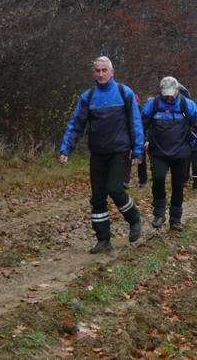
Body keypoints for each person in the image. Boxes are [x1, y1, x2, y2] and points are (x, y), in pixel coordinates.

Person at [60, 56, 144, 254]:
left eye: (104, 70)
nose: (101, 74)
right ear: (93, 73)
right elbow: (76, 124)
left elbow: (135, 123)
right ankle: (103, 239)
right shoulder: (88, 97)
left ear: (112, 72)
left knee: (115, 189)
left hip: (120, 152)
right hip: (98, 153)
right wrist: (67, 149)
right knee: (98, 197)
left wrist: (138, 149)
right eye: (97, 70)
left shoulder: (125, 93)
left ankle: (134, 219)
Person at [141, 76, 197, 231]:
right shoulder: (153, 105)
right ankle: (159, 213)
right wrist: (142, 142)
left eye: (171, 93)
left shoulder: (187, 105)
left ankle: (175, 220)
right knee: (157, 178)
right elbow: (140, 126)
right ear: (160, 91)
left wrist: (189, 145)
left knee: (178, 185)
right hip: (159, 151)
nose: (169, 97)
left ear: (177, 91)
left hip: (180, 153)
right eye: (166, 94)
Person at [177, 84, 197, 191]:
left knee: (195, 165)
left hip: (195, 143)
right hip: (185, 142)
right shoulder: (179, 111)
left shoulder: (194, 108)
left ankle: (196, 185)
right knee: (184, 164)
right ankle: (183, 181)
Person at [124, 94, 148, 189]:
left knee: (140, 160)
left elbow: (145, 127)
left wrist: (146, 140)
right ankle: (126, 180)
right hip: (129, 138)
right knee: (128, 159)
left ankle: (142, 180)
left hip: (139, 138)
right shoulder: (125, 112)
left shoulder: (143, 112)